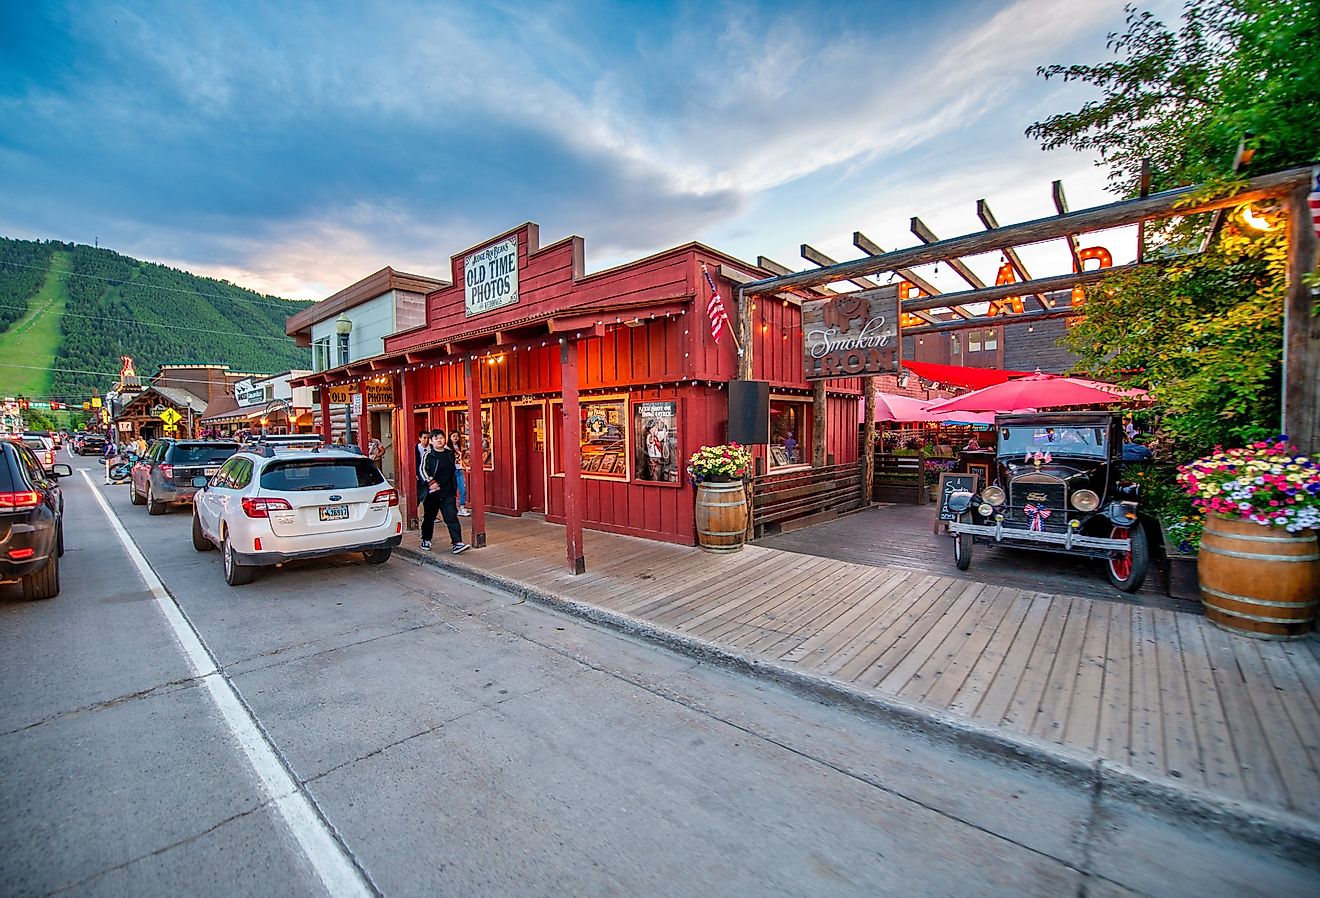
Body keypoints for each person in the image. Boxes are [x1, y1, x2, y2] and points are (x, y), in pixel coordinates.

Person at [418, 429, 468, 554]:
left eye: (441, 437)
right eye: (436, 438)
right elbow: (422, 470)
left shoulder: (450, 454)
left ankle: (457, 543)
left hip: (448, 492)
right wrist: (431, 482)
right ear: (431, 441)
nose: (439, 440)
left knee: (451, 516)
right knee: (429, 518)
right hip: (432, 493)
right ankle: (426, 539)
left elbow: (454, 470)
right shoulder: (428, 455)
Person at [448, 431, 471, 515]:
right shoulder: (447, 448)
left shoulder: (458, 447)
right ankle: (453, 508)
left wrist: (465, 466)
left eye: (457, 436)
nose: (455, 438)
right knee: (452, 490)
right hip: (452, 471)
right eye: (453, 436)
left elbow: (460, 459)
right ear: (450, 437)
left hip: (459, 469)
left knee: (463, 489)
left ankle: (462, 507)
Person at [413, 431, 430, 525]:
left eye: (428, 438)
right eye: (424, 438)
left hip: (429, 474)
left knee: (429, 495)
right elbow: (413, 462)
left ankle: (429, 514)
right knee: (419, 494)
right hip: (419, 475)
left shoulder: (431, 448)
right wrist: (415, 473)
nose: (426, 440)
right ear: (420, 438)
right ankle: (414, 514)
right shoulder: (416, 448)